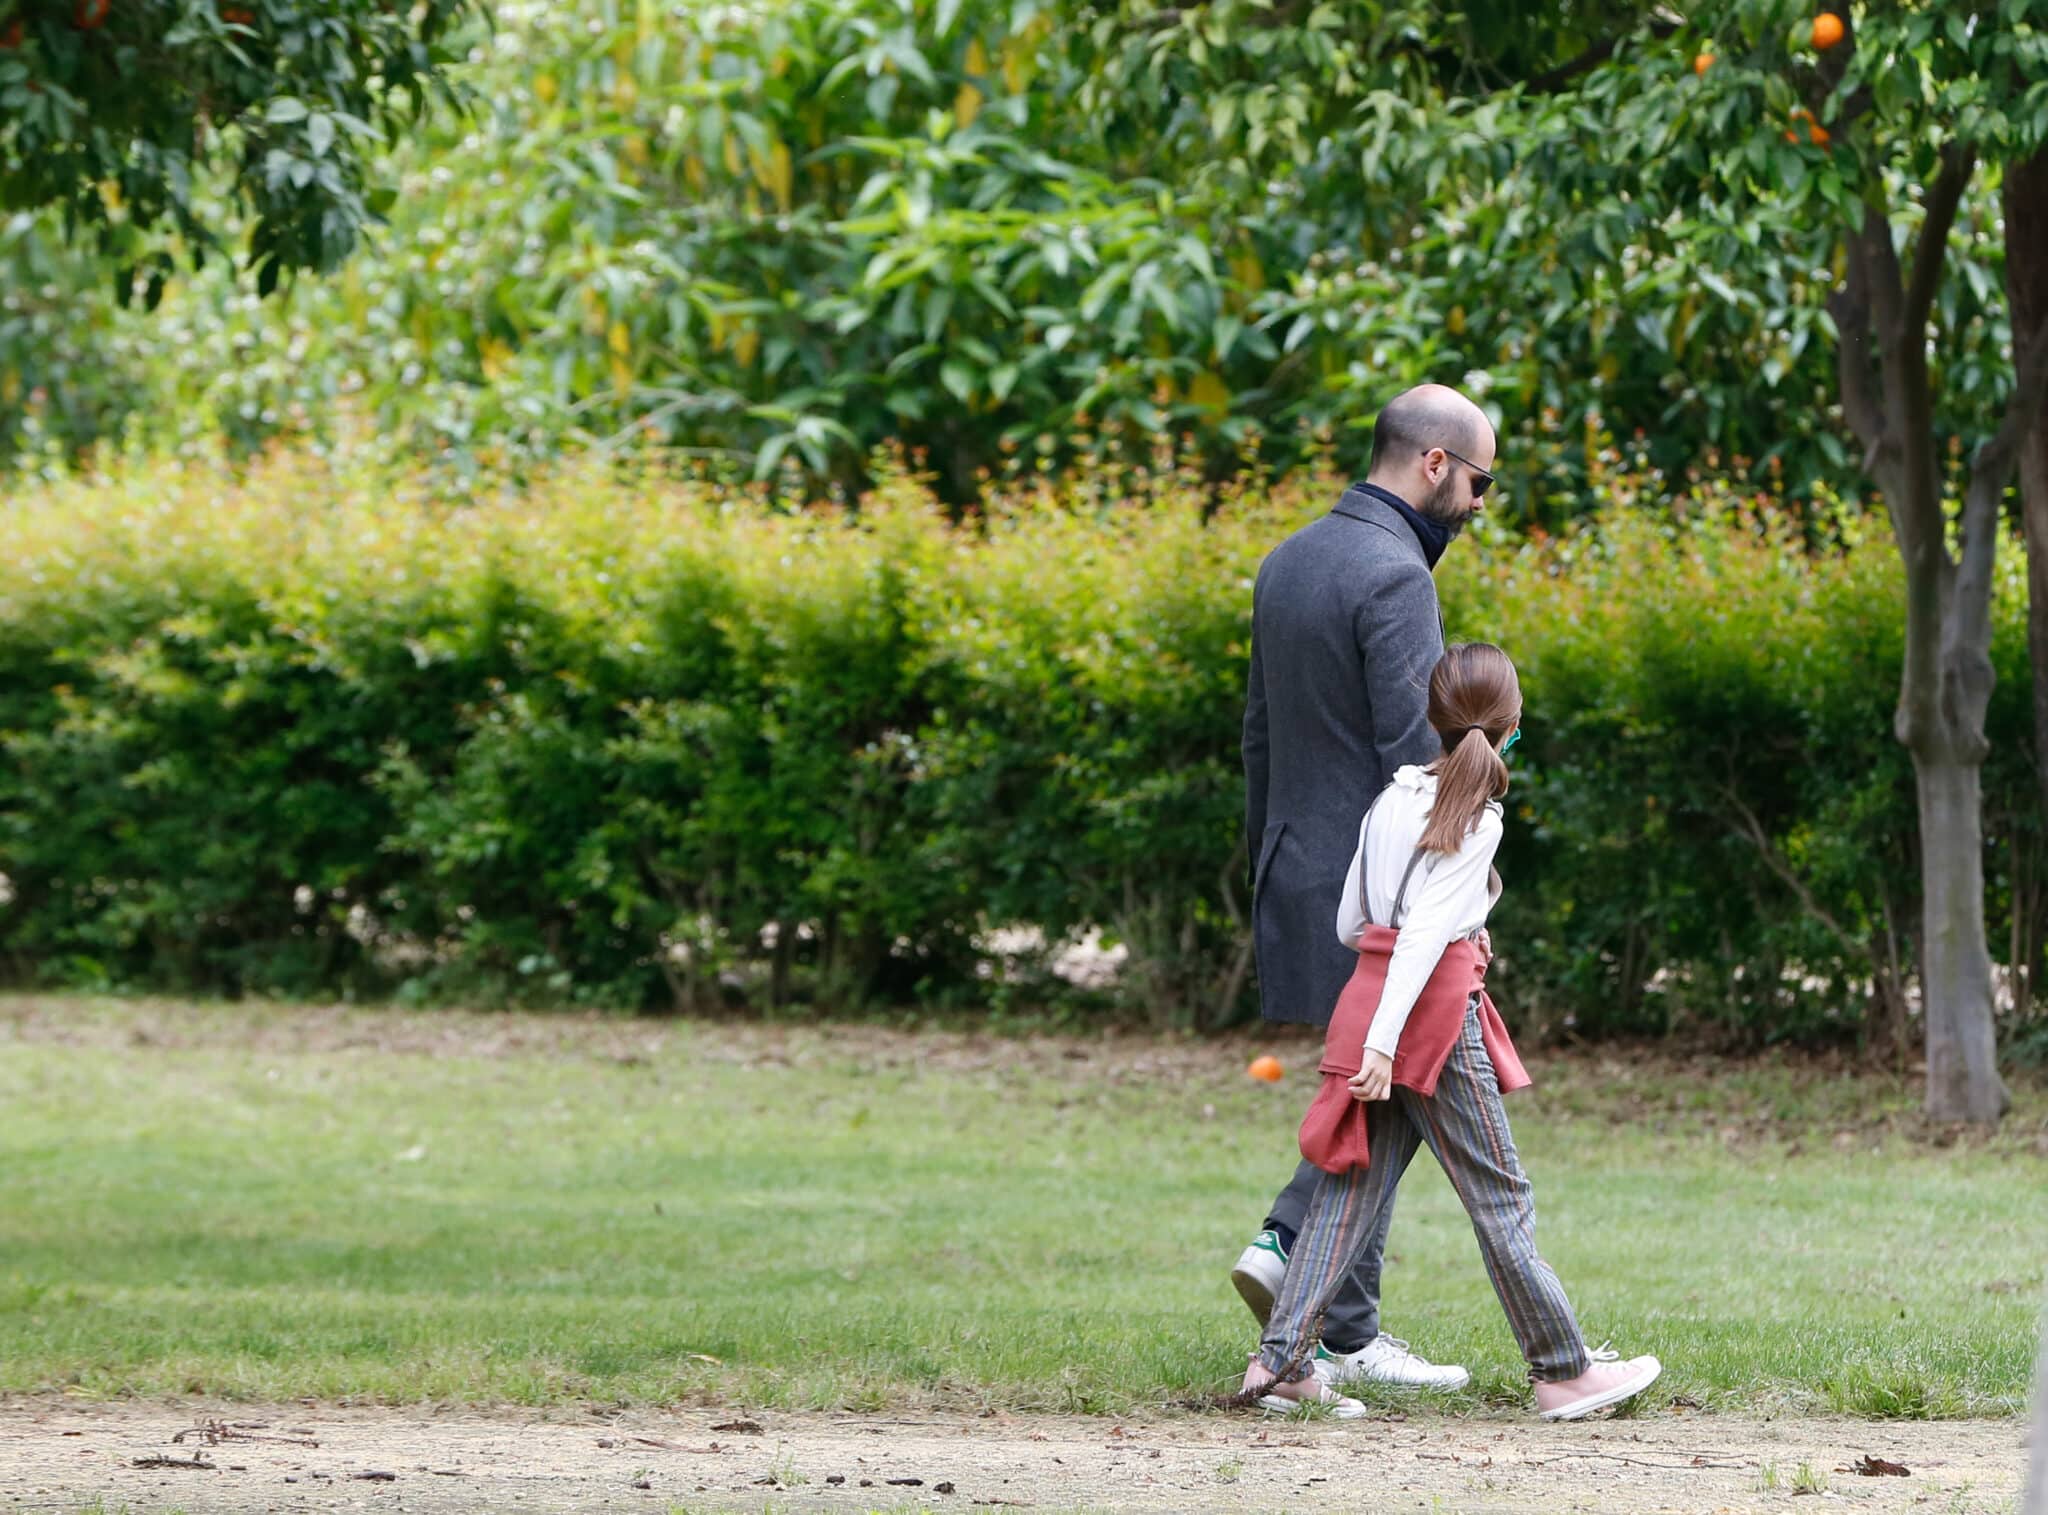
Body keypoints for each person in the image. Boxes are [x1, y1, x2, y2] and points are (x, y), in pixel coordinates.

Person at [1243, 643, 1662, 1421]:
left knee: (1348, 1189)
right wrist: (1389, 1038)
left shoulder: (1391, 799)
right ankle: (1564, 1371)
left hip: (1371, 1001)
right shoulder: (1479, 820)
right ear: (1511, 726)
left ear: (1434, 719)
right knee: (1501, 1197)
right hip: (1429, 1020)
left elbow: (1353, 924)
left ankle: (1279, 1367)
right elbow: (1424, 934)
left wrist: (1386, 1015)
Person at [1234, 384, 1494, 1391]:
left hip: (1297, 864)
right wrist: (1455, 896)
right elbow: (1416, 756)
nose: (1477, 504)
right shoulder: (1393, 574)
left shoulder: (1287, 559)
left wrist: (1272, 865)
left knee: (1376, 1081)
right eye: (1478, 481)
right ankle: (1283, 1241)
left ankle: (1345, 1331)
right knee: (1405, 1077)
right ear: (1432, 464)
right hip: (1378, 884)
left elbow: (1258, 735)